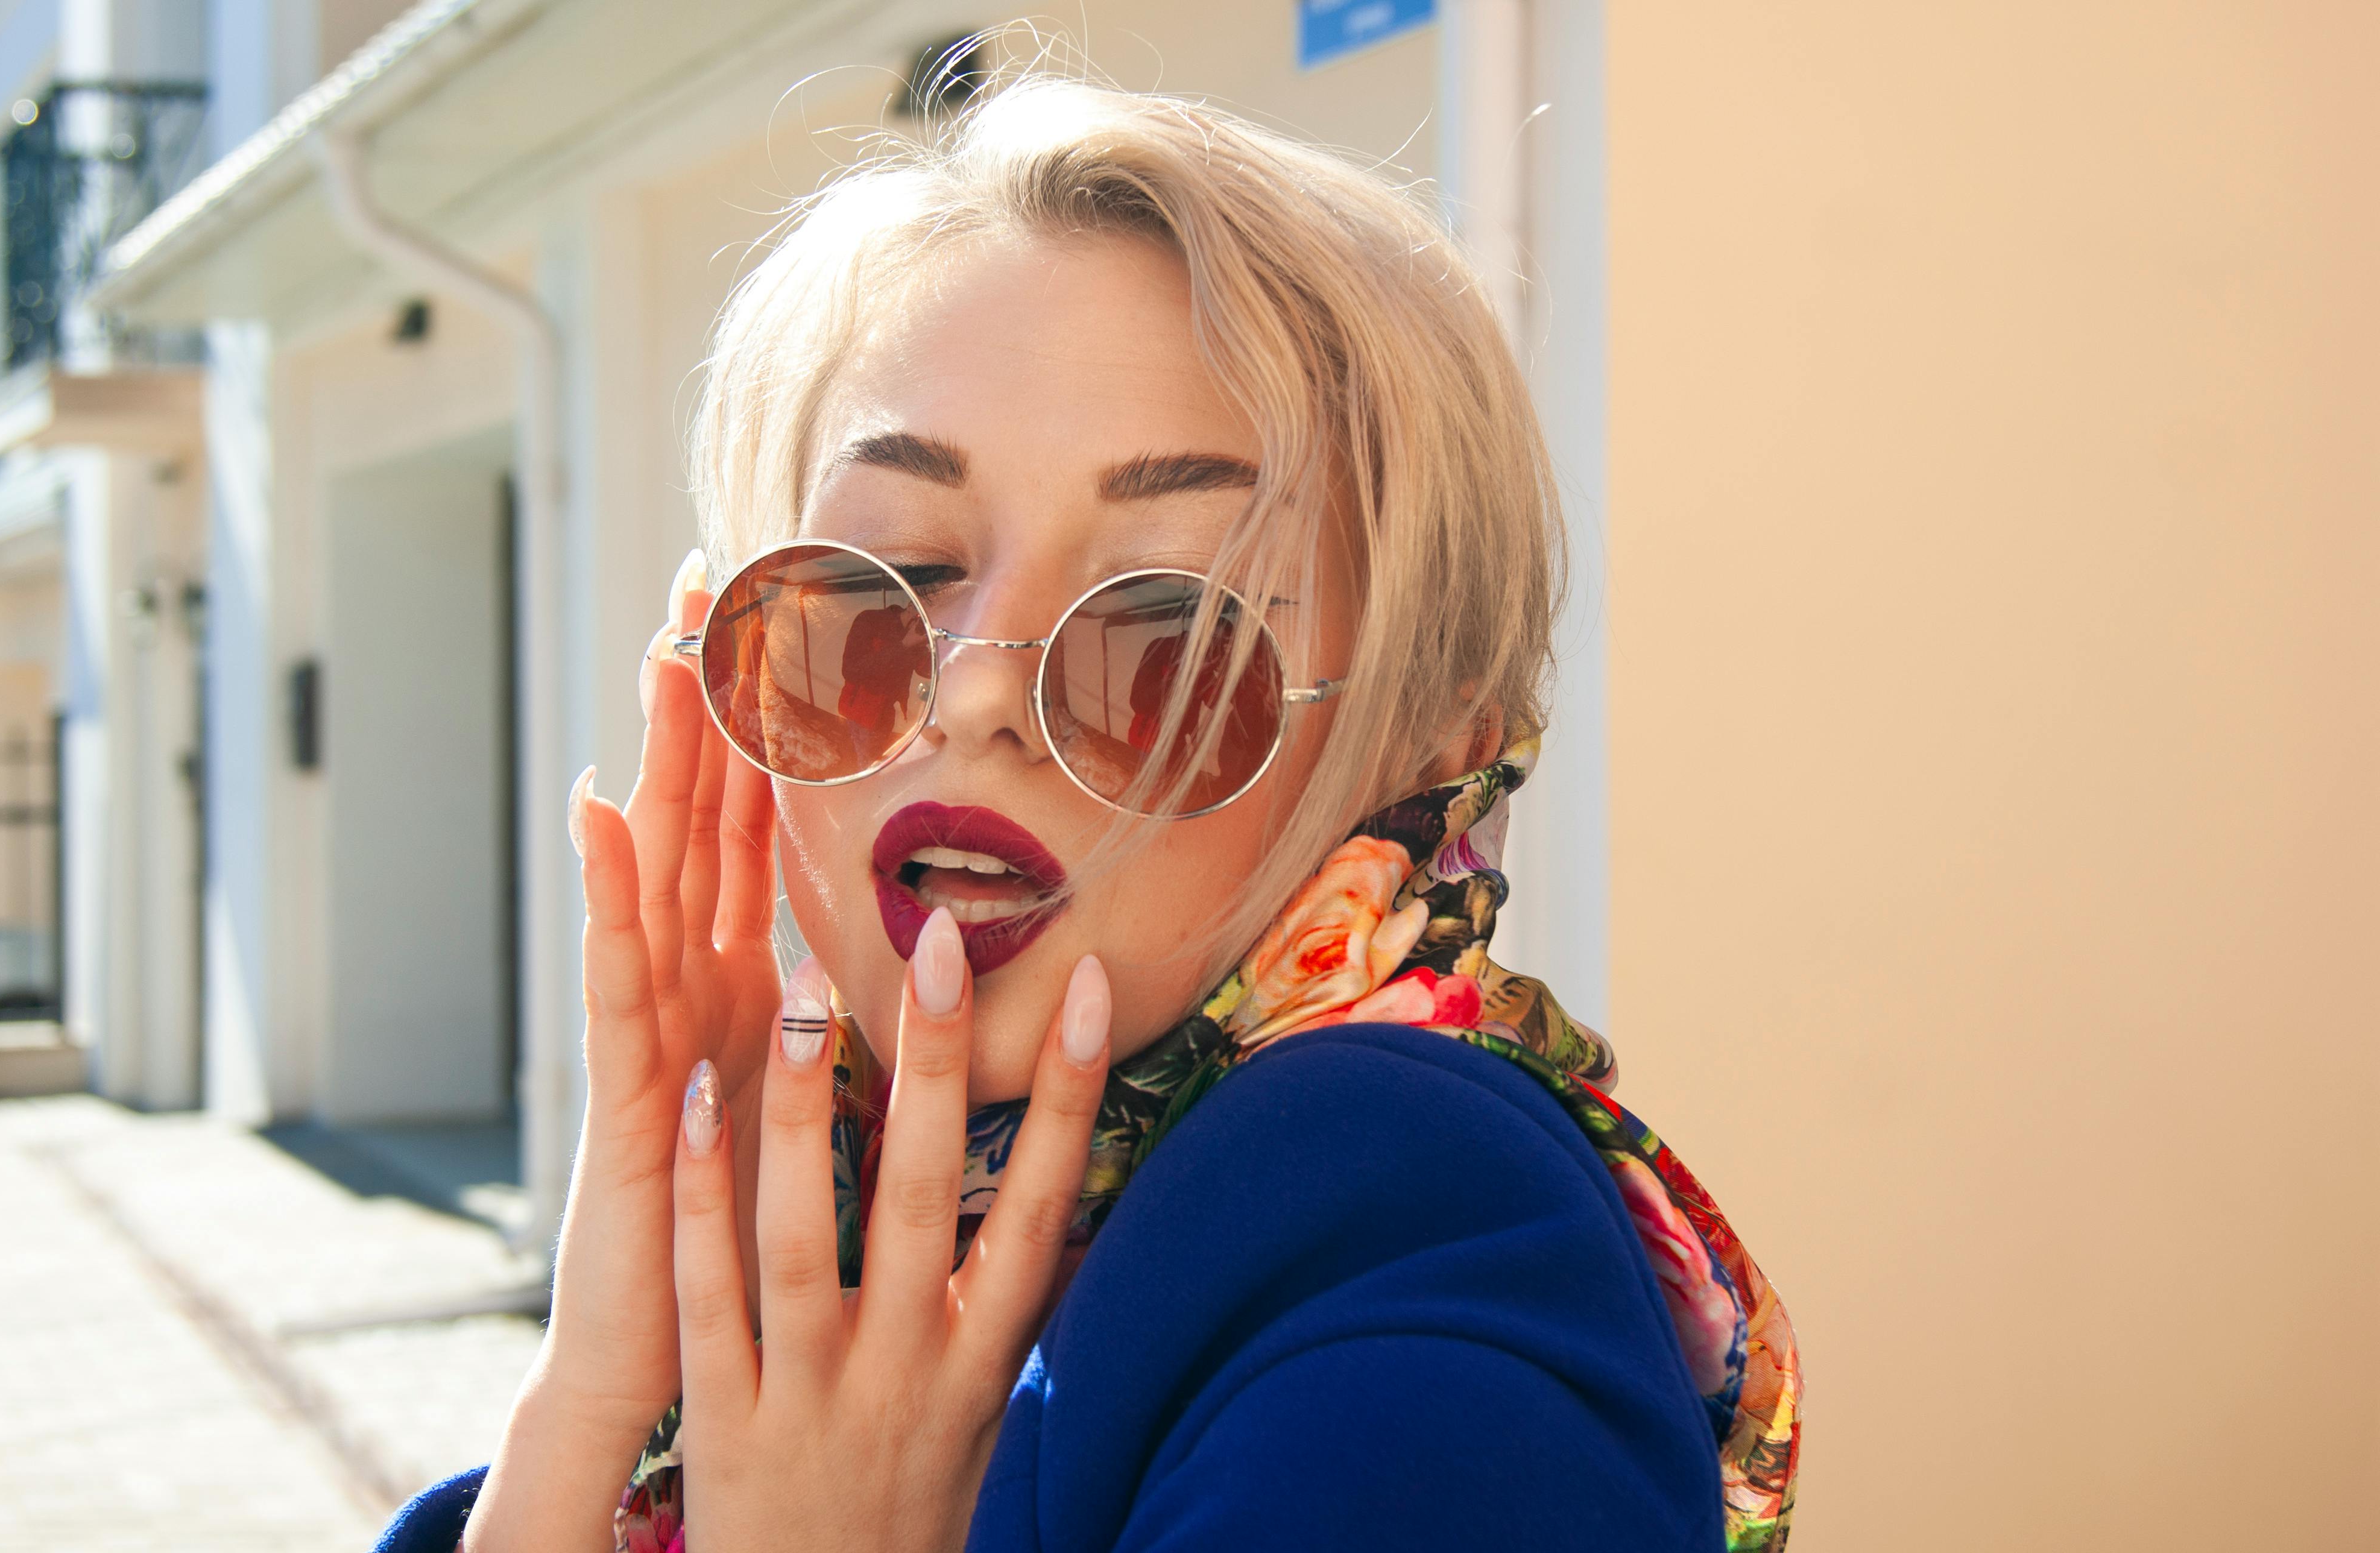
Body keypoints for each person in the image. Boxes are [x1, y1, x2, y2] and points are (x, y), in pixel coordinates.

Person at [376, 70, 1799, 1553]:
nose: (975, 687)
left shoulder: (1424, 1276)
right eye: (893, 574)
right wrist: (598, 1394)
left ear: (1430, 744)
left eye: (1165, 625)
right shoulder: (855, 1268)